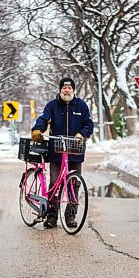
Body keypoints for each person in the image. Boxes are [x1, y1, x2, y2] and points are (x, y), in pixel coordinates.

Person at [31, 76, 94, 228]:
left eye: (69, 88)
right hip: (56, 152)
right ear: (60, 90)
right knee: (54, 183)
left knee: (73, 183)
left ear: (73, 90)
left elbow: (89, 124)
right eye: (64, 88)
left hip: (75, 152)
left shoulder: (81, 106)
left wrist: (81, 134)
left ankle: (70, 215)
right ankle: (52, 216)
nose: (67, 90)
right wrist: (38, 130)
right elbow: (43, 119)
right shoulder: (52, 106)